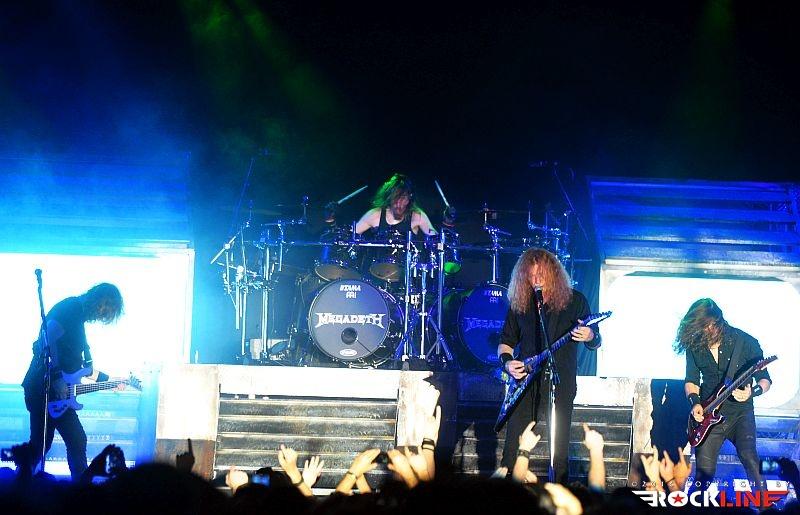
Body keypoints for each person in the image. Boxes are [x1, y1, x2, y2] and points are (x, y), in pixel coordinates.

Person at [498, 248, 601, 482]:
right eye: (531, 276)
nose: (536, 280)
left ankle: (559, 489)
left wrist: (590, 335)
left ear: (553, 273)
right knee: (514, 442)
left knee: (559, 445)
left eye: (541, 275)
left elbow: (595, 341)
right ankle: (507, 486)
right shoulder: (520, 304)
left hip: (560, 381)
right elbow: (505, 343)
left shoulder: (575, 300)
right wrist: (507, 363)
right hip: (526, 381)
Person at [21, 282, 124, 480]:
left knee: (59, 442)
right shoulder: (71, 309)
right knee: (48, 443)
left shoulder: (78, 320)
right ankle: (23, 487)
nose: (103, 313)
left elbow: (82, 370)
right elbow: (45, 340)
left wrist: (111, 381)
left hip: (54, 391)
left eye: (109, 312)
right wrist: (57, 376)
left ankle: (77, 488)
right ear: (97, 298)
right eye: (105, 306)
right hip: (43, 388)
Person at [675, 298, 771, 491]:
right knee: (704, 473)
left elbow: (765, 380)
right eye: (702, 327)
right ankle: (697, 505)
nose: (707, 331)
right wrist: (695, 403)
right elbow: (691, 379)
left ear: (718, 321)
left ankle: (765, 503)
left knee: (750, 457)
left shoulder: (745, 342)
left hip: (740, 413)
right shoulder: (695, 345)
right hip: (709, 415)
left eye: (709, 326)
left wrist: (752, 392)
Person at [354, 173, 436, 237]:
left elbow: (437, 242)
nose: (399, 203)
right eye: (396, 197)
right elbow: (350, 236)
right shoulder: (374, 215)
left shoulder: (417, 216)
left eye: (403, 198)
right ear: (389, 197)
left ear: (409, 198)